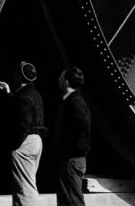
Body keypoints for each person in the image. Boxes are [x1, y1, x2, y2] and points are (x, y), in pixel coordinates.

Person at [0, 61, 46, 206]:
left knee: (25, 189)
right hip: (36, 140)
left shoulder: (23, 97)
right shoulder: (34, 94)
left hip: (25, 142)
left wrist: (15, 146)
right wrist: (8, 92)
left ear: (18, 76)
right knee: (27, 184)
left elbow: (23, 123)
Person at [54, 67, 92, 206]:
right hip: (70, 158)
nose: (58, 79)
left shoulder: (75, 102)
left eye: (61, 77)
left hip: (71, 159)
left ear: (66, 82)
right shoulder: (71, 100)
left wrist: (69, 148)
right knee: (66, 200)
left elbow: (81, 128)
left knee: (73, 200)